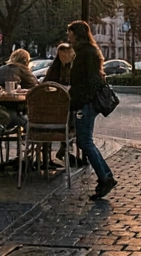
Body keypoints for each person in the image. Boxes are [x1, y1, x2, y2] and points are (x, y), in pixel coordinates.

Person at [68, 20, 117, 200]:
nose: (68, 36)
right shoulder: (89, 52)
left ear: (77, 34)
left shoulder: (85, 54)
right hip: (86, 102)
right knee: (84, 141)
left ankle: (105, 178)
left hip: (85, 103)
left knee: (85, 141)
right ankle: (105, 176)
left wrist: (81, 101)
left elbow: (90, 81)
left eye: (70, 33)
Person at [42, 43, 81, 166]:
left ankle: (61, 148)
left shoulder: (72, 68)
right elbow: (45, 85)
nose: (65, 56)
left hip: (60, 107)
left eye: (67, 53)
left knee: (70, 115)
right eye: (63, 53)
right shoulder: (56, 68)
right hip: (56, 106)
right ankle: (63, 147)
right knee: (70, 117)